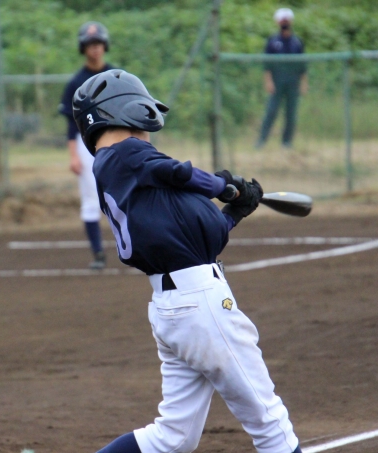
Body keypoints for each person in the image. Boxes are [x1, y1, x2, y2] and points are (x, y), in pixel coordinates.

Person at [73, 70, 302, 453]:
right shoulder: (126, 154)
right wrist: (226, 186)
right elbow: (177, 171)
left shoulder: (132, 179)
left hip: (175, 307)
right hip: (200, 305)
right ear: (125, 112)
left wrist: (235, 211)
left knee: (173, 438)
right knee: (270, 423)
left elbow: (203, 237)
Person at [59, 21, 113, 269]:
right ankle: (98, 254)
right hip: (86, 144)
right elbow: (71, 124)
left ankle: (138, 248)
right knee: (91, 201)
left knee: (126, 196)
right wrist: (73, 155)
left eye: (98, 43)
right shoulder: (76, 82)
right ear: (83, 48)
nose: (95, 48)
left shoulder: (115, 76)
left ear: (105, 45)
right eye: (90, 44)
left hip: (115, 141)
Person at [257, 8, 308, 149]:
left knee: (291, 113)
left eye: (286, 20)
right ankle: (261, 140)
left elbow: (303, 65)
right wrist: (268, 81)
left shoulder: (297, 42)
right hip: (277, 80)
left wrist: (304, 82)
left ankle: (286, 142)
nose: (284, 23)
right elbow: (267, 64)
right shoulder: (273, 41)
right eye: (282, 21)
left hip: (293, 81)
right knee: (271, 111)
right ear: (278, 22)